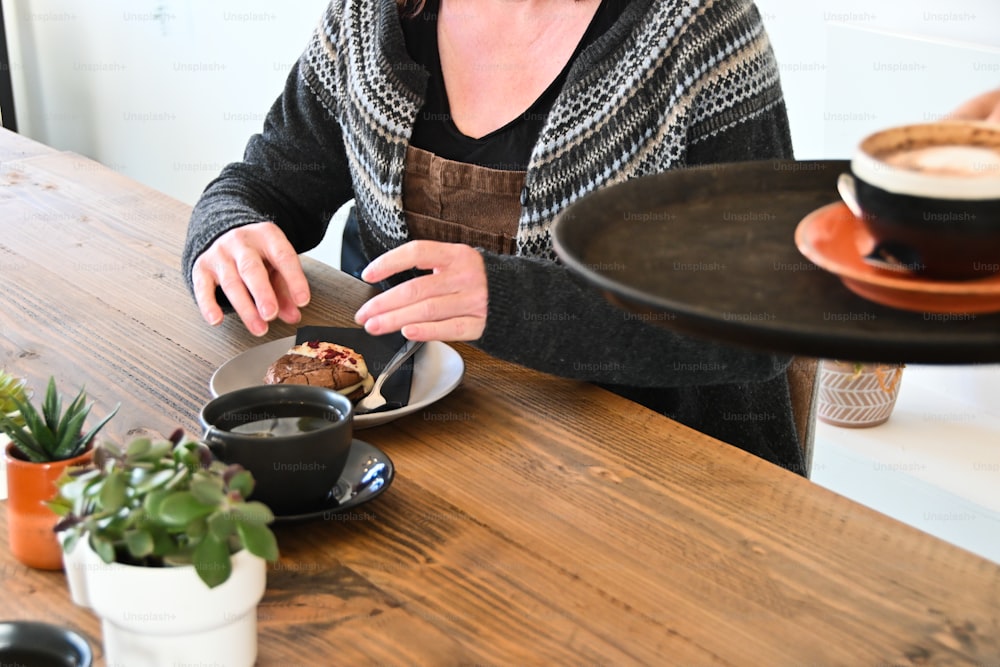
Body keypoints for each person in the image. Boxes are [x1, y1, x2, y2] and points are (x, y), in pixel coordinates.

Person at [182, 0, 808, 473]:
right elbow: (265, 182)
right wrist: (227, 227)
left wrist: (514, 303)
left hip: (641, 473)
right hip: (413, 455)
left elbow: (763, 320)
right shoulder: (371, 15)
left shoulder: (700, 29)